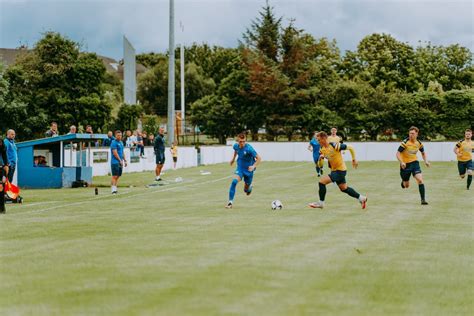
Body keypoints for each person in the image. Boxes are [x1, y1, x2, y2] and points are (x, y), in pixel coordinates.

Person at [308, 131, 367, 209]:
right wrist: (320, 160)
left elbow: (350, 148)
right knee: (344, 188)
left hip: (340, 170)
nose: (318, 142)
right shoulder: (322, 149)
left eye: (319, 140)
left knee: (322, 182)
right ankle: (362, 198)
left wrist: (354, 159)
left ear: (324, 138)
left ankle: (321, 203)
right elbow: (321, 164)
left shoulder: (334, 145)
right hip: (335, 170)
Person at [226, 133, 262, 209]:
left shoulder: (249, 149)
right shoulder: (236, 146)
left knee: (246, 191)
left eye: (243, 141)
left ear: (245, 141)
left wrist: (253, 166)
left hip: (249, 170)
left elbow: (259, 158)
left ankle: (249, 188)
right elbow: (236, 151)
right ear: (237, 141)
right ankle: (230, 203)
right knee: (234, 182)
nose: (242, 143)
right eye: (240, 141)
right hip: (240, 168)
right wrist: (233, 159)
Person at [396, 126, 430, 205]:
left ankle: (423, 200)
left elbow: (423, 153)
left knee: (420, 180)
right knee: (406, 185)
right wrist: (401, 162)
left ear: (417, 134)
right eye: (410, 133)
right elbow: (397, 154)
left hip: (415, 163)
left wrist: (426, 161)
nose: (411, 135)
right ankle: (403, 182)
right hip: (405, 165)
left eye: (413, 133)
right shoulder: (405, 143)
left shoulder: (419, 143)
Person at [0, 138, 9, 214]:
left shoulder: (3, 146)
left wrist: (6, 165)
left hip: (0, 169)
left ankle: (2, 208)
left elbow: (4, 156)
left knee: (1, 189)